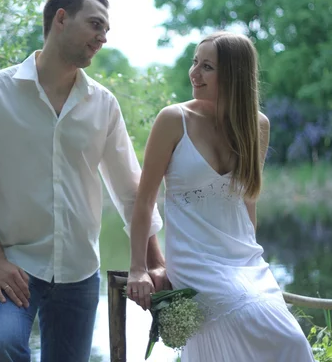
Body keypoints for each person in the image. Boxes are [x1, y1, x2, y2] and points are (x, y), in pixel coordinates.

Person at [0, 0, 167, 362]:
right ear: (61, 19)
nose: (102, 37)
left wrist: (153, 263)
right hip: (12, 262)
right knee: (2, 345)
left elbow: (130, 190)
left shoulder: (102, 104)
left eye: (106, 30)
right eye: (95, 25)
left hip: (79, 271)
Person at [126, 32, 315, 361]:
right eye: (195, 62)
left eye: (207, 67)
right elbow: (144, 201)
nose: (194, 73)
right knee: (267, 326)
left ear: (234, 75)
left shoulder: (257, 126)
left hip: (244, 259)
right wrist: (139, 268)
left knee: (292, 342)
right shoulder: (174, 120)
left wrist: (250, 265)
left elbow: (248, 203)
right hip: (195, 259)